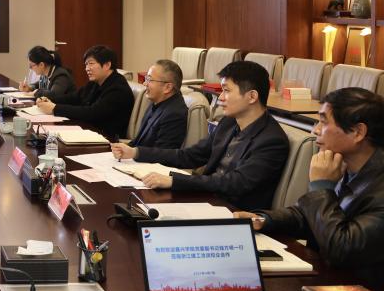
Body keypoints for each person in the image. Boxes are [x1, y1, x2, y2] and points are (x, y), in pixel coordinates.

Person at [235, 87, 384, 287]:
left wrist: (322, 186)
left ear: (358, 132)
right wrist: (263, 220)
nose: (315, 130)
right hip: (334, 284)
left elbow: (341, 248)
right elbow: (310, 216)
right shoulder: (347, 165)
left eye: (323, 122)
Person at [111, 60, 288, 210]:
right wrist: (136, 152)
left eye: (227, 90)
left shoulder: (272, 141)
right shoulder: (229, 123)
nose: (220, 98)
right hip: (206, 200)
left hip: (234, 212)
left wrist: (175, 181)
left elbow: (234, 183)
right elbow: (190, 155)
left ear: (252, 97)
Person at [35, 45, 134, 139]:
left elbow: (92, 113)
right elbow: (74, 97)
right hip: (89, 130)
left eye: (91, 63)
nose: (87, 68)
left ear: (107, 65)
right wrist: (49, 100)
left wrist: (55, 108)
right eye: (86, 64)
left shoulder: (118, 88)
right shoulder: (96, 81)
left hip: (106, 138)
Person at [126, 59, 188, 149]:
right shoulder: (156, 102)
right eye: (146, 78)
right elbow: (138, 142)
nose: (144, 83)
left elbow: (162, 153)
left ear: (168, 87)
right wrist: (121, 149)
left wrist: (133, 153)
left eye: (149, 80)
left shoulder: (174, 114)